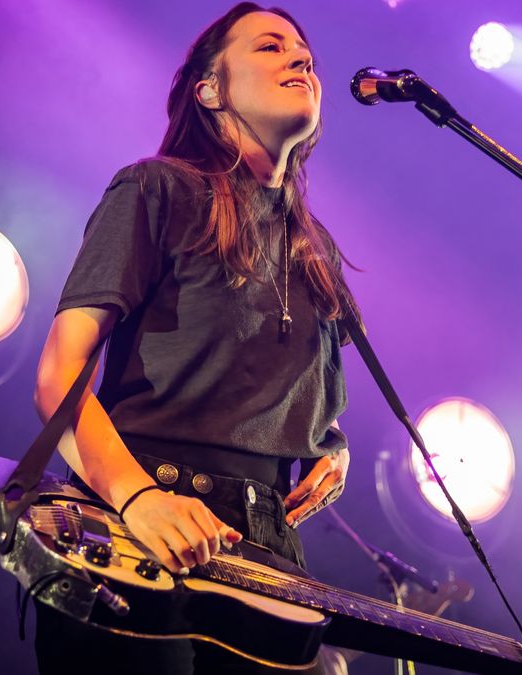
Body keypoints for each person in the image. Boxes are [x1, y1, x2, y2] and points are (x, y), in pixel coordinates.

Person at [32, 4, 357, 673]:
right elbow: (58, 374)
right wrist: (139, 496)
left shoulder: (316, 249)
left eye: (307, 56)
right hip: (138, 523)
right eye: (272, 47)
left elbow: (304, 404)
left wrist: (332, 449)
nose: (302, 62)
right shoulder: (156, 188)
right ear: (210, 90)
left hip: (268, 548)